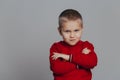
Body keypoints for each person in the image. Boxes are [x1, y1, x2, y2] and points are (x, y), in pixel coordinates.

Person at [49, 9, 98, 80]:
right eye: (67, 31)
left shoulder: (86, 45)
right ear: (60, 31)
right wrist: (79, 62)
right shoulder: (56, 47)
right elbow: (56, 68)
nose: (72, 35)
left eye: (76, 30)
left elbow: (92, 62)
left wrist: (68, 58)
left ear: (82, 29)